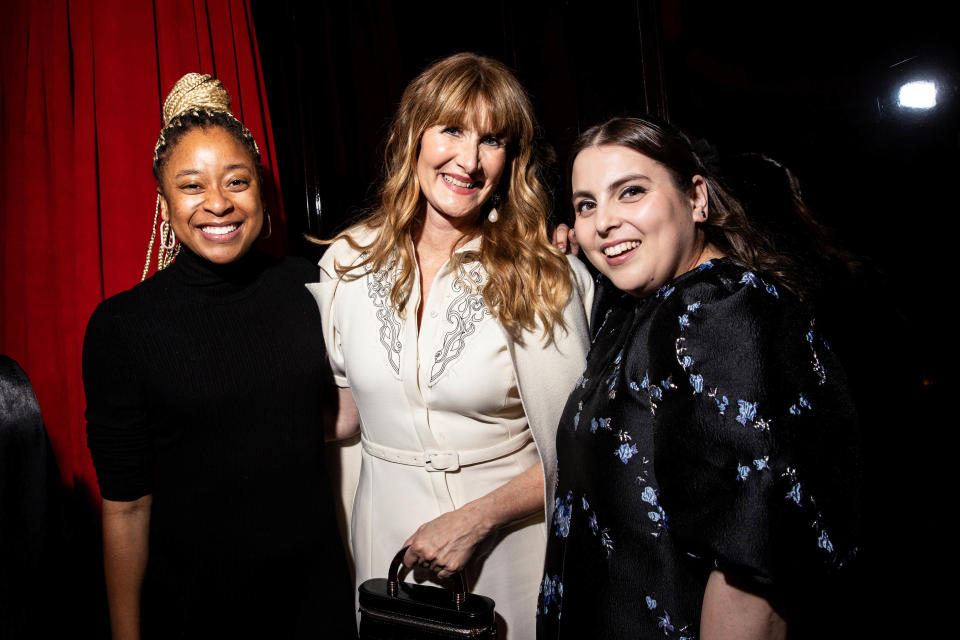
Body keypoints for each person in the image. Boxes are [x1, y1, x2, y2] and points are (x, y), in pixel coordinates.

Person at [537, 117, 860, 639]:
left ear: (697, 199)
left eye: (632, 192)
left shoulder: (723, 313)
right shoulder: (640, 309)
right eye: (586, 204)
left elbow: (754, 565)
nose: (603, 222)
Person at [311, 53, 593, 638]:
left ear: (510, 159)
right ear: (414, 136)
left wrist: (476, 520)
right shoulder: (348, 261)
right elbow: (350, 410)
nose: (468, 160)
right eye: (452, 130)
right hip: (385, 536)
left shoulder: (541, 274)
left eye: (492, 140)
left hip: (507, 543)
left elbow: (579, 447)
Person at [83, 73, 356, 639]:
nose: (217, 203)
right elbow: (126, 509)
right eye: (191, 186)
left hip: (316, 605)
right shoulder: (122, 327)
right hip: (195, 613)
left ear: (260, 188)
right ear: (164, 203)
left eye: (237, 180)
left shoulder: (309, 286)